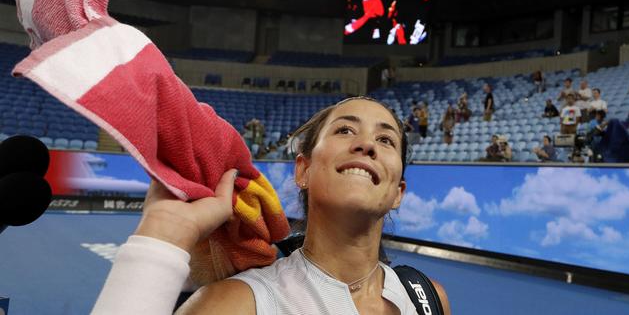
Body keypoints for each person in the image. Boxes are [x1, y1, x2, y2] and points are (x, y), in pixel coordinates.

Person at [92, 97, 451, 314]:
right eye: (344, 131)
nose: (367, 145)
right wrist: (163, 234)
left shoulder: (428, 299)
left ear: (398, 192)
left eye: (386, 139)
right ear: (303, 170)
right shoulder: (239, 304)